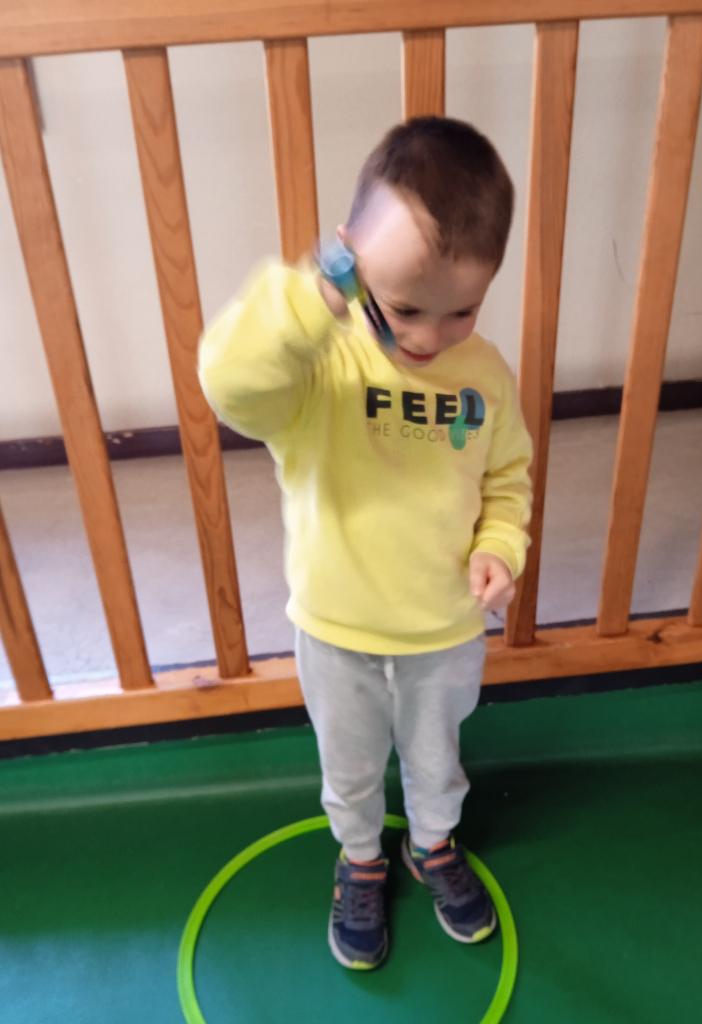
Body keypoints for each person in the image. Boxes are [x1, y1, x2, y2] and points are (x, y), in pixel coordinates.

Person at [199, 116, 532, 970]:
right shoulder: (319, 363)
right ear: (354, 262)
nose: (428, 336)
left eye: (462, 310)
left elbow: (507, 479)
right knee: (348, 766)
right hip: (337, 625)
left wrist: (501, 547)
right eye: (407, 306)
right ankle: (359, 859)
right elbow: (229, 381)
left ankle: (433, 843)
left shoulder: (486, 376)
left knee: (437, 758)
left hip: (444, 628)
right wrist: (321, 285)